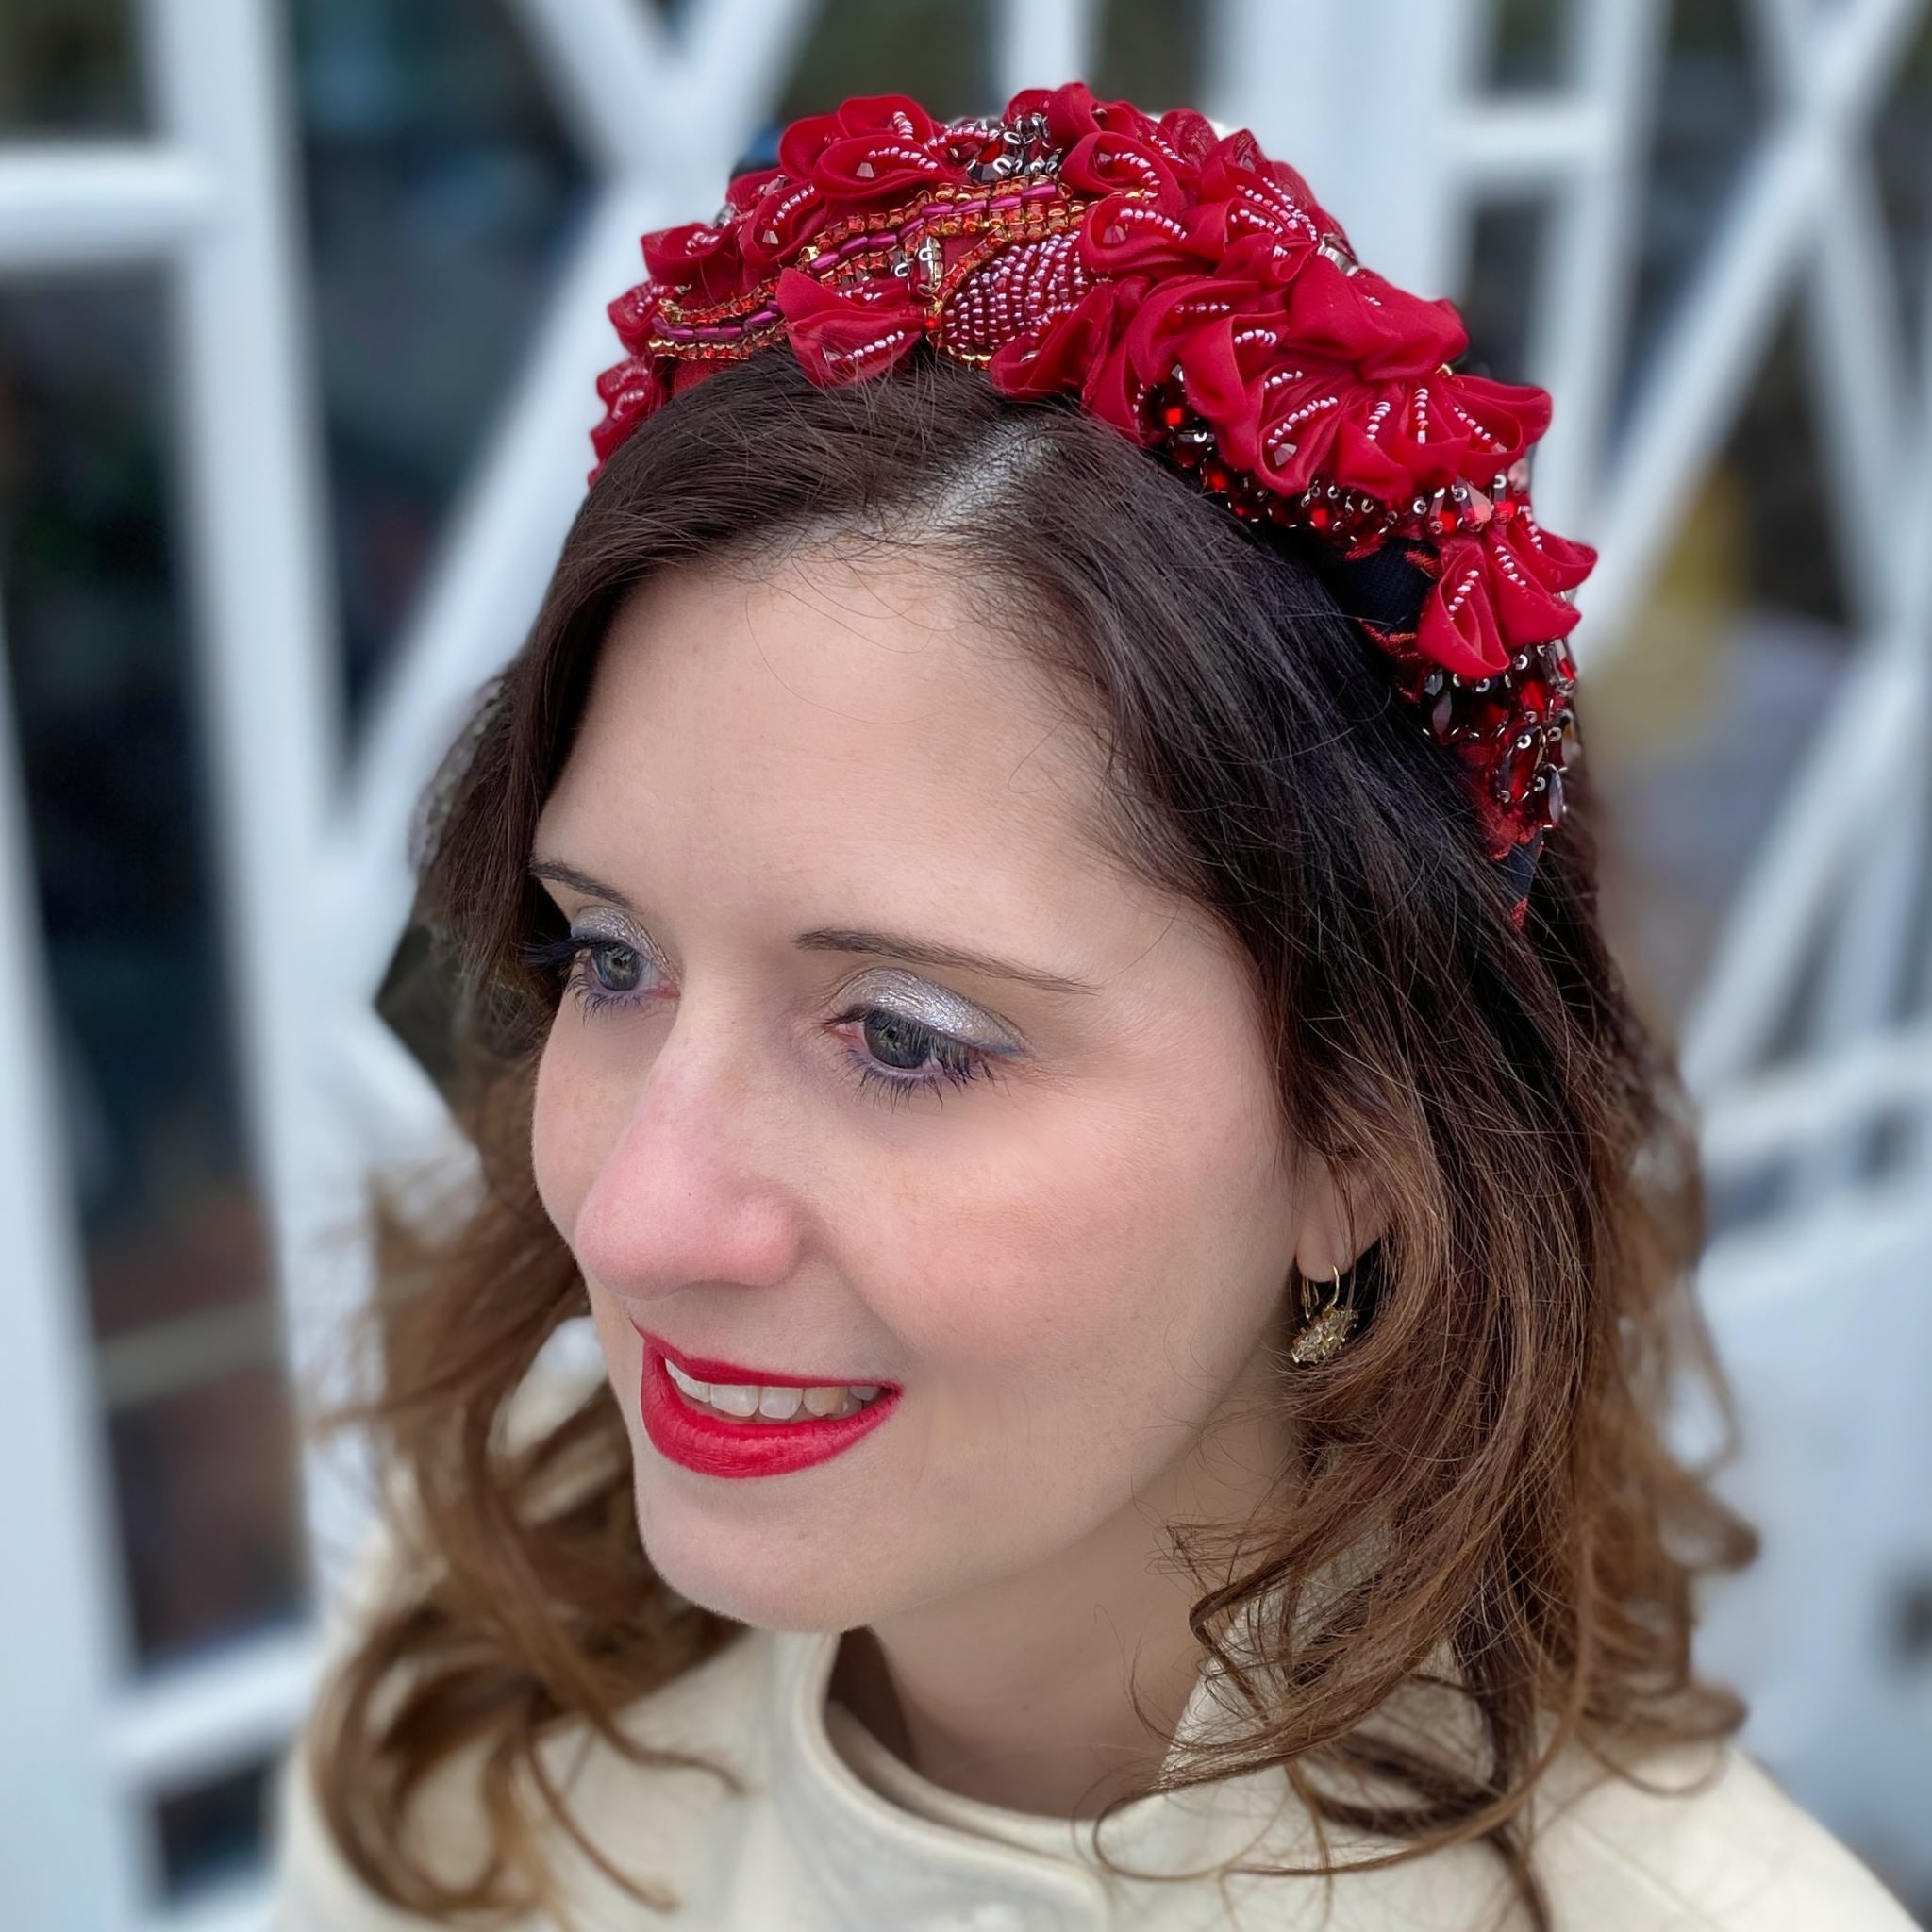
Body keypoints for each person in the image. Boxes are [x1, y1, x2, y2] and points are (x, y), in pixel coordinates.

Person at [265, 81, 1916, 1932]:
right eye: (607, 958)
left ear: (1355, 1144)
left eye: (901, 1035)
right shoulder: (472, 1698)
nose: (636, 1216)